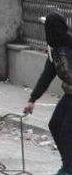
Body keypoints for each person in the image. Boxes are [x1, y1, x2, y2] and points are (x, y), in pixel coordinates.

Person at [23, 12, 72, 175]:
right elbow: (47, 76)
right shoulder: (54, 51)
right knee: (55, 125)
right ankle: (68, 164)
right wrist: (32, 99)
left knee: (67, 131)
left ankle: (69, 168)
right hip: (70, 95)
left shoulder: (69, 46)